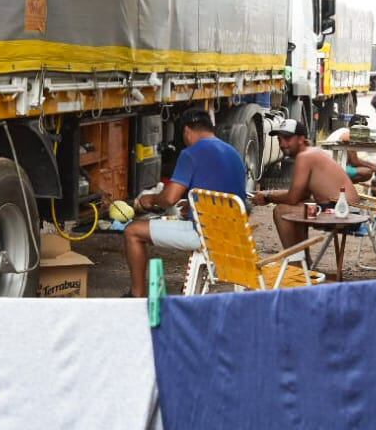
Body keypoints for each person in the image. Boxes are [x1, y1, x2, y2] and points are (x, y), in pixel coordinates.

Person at [124, 108, 246, 296]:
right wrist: (192, 205)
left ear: (187, 131)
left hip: (206, 235)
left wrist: (151, 199)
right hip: (234, 235)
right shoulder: (233, 153)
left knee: (132, 231)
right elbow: (226, 194)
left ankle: (137, 295)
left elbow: (169, 198)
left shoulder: (191, 153)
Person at [250, 119, 358, 248]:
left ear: (301, 139)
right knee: (302, 206)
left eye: (287, 138)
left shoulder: (305, 157)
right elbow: (300, 195)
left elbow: (292, 197)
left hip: (343, 212)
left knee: (281, 211)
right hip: (343, 209)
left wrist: (267, 197)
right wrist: (267, 193)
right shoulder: (311, 153)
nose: (283, 144)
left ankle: (294, 262)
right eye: (279, 139)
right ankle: (303, 261)